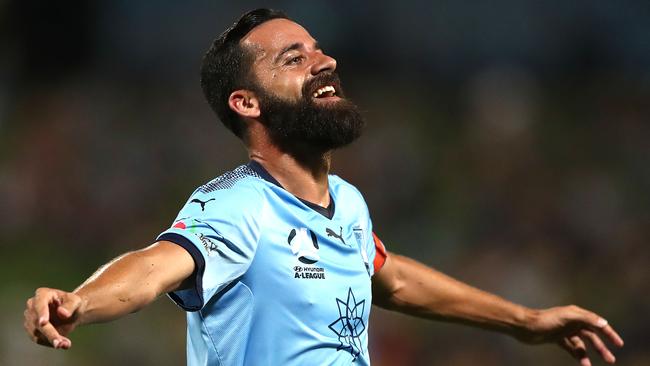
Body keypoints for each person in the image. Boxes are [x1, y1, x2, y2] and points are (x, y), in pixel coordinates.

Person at [23, 8, 623, 366]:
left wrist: (524, 321)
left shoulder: (350, 205)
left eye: (316, 48)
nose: (324, 60)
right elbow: (154, 269)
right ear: (246, 102)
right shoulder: (237, 204)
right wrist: (81, 302)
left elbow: (391, 276)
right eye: (292, 57)